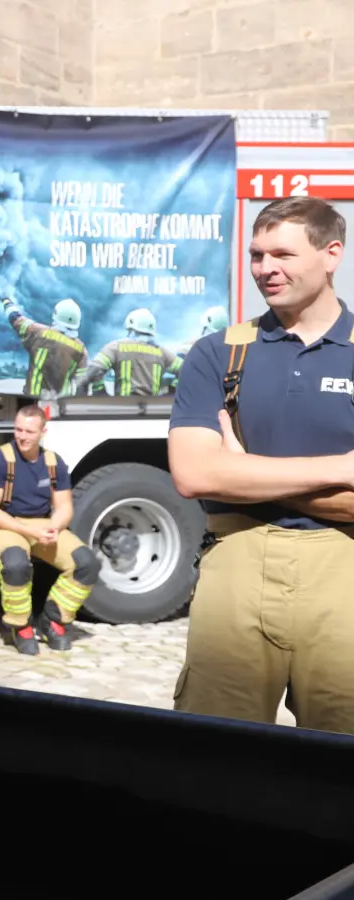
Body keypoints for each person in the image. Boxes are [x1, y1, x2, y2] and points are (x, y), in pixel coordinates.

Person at [169, 196, 354, 734]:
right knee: (215, 753)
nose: (265, 269)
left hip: (342, 568)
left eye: (283, 254)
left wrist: (244, 471)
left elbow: (220, 474)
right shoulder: (219, 353)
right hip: (236, 560)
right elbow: (195, 475)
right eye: (256, 255)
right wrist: (343, 467)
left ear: (331, 254)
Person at [0, 405, 98, 655]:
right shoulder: (0, 459)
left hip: (41, 524)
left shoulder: (53, 462)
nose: (22, 436)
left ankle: (54, 619)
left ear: (43, 431)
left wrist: (54, 527)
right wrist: (29, 532)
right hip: (4, 525)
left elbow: (64, 507)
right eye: (18, 429)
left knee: (86, 564)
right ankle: (20, 626)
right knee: (17, 564)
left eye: (29, 431)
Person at [68, 308, 183, 397]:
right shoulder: (162, 352)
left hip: (122, 410)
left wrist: (100, 391)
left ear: (130, 327)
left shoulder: (116, 347)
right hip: (152, 411)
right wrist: (172, 390)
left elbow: (91, 373)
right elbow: (188, 371)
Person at [0, 296, 87, 399]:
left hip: (34, 401)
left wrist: (6, 301)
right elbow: (82, 383)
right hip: (61, 403)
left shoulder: (37, 333)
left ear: (55, 314)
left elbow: (15, 318)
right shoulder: (81, 350)